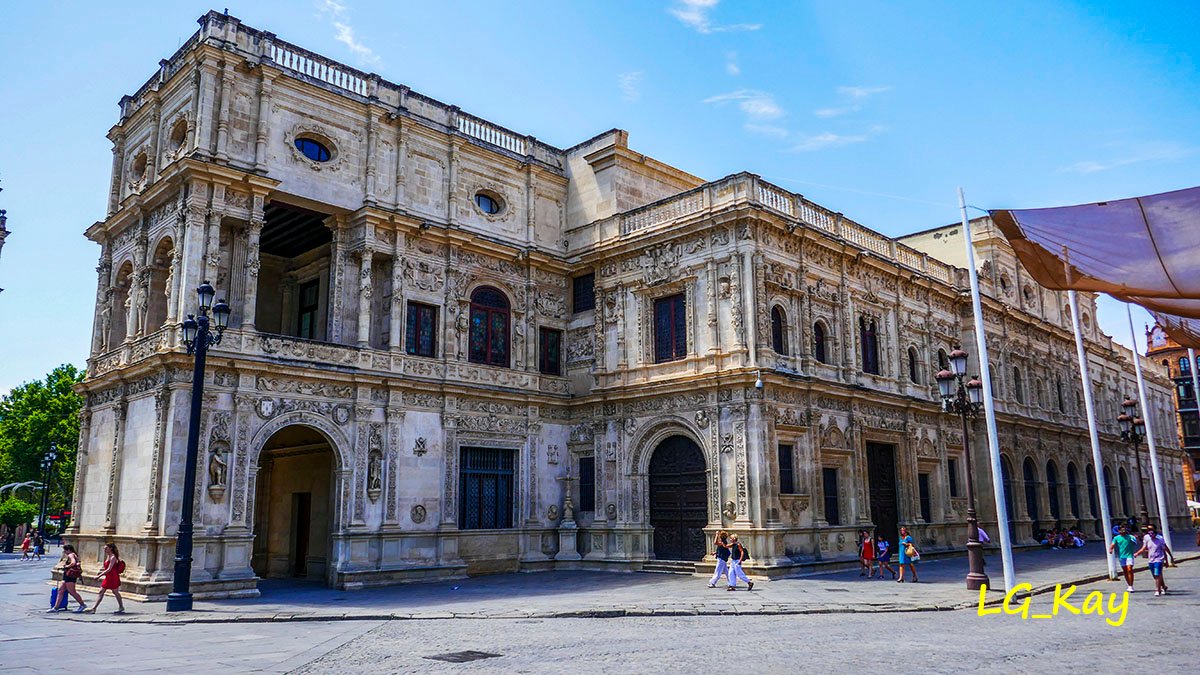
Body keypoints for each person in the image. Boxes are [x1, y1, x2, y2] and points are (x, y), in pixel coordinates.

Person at [1133, 524, 1176, 597]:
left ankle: (1157, 590)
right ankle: (1164, 586)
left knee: (1157, 574)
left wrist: (1170, 557)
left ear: (1155, 532)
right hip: (1151, 559)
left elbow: (1165, 548)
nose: (1150, 534)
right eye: (1149, 531)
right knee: (1156, 575)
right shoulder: (1146, 538)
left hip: (1159, 559)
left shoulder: (1160, 539)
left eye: (1151, 531)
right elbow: (1144, 547)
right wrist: (1137, 553)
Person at [85, 542, 126, 614]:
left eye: (106, 548)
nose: (105, 550)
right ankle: (94, 608)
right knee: (101, 592)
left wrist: (99, 576)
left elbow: (109, 569)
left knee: (115, 592)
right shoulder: (108, 556)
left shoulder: (113, 557)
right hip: (108, 577)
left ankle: (121, 606)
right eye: (104, 548)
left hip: (113, 577)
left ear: (110, 548)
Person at [47, 544, 88, 613]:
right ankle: (56, 607)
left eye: (65, 550)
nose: (64, 552)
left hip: (69, 576)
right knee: (60, 591)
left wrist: (66, 566)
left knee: (72, 591)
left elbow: (73, 563)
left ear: (68, 550)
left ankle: (82, 605)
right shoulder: (74, 554)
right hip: (68, 576)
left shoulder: (71, 555)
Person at [1108, 525, 1140, 592]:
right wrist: (1111, 549)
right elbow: (1112, 544)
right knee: (1125, 570)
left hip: (1129, 556)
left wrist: (1137, 538)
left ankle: (1131, 586)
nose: (1123, 531)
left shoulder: (1130, 537)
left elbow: (1136, 541)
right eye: (1121, 530)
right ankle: (1129, 584)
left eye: (1124, 529)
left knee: (1129, 569)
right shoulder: (1116, 538)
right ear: (1119, 531)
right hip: (1122, 557)